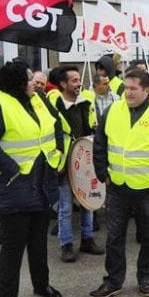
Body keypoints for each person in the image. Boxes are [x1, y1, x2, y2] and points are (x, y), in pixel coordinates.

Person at [0, 61, 63, 297]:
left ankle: (41, 285)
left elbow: (55, 124)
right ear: (15, 82)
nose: (33, 83)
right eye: (27, 79)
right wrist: (12, 170)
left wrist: (57, 151)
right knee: (13, 246)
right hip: (13, 186)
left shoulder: (37, 98)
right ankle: (7, 296)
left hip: (41, 184)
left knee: (39, 242)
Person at [90, 69, 149, 297]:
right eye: (126, 88)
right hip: (118, 187)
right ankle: (113, 281)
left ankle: (146, 277)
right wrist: (102, 173)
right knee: (114, 238)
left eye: (133, 88)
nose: (127, 93)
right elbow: (99, 144)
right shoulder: (113, 110)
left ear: (147, 90)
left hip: (148, 189)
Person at [50, 66, 104, 262]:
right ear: (63, 84)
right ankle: (66, 245)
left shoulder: (86, 102)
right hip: (64, 162)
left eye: (78, 79)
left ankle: (87, 239)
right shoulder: (54, 105)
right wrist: (57, 162)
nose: (78, 83)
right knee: (65, 206)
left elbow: (91, 128)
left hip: (84, 160)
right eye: (73, 80)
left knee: (87, 202)